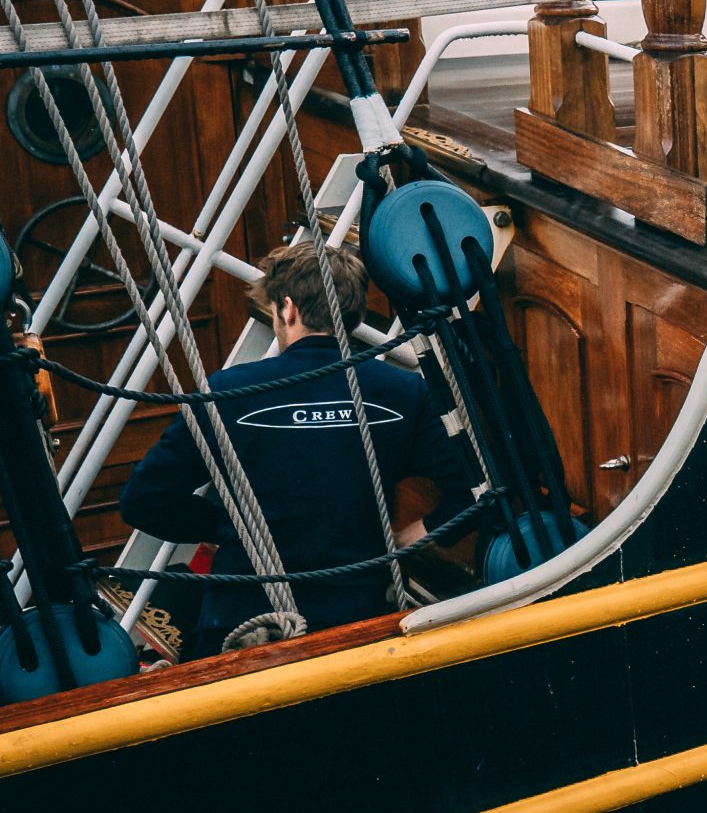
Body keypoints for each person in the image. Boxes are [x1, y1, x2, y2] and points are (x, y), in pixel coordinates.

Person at [120, 239, 481, 655]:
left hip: (246, 619)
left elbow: (143, 500)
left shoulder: (228, 392)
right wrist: (416, 533)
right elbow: (473, 488)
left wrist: (233, 527)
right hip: (356, 620)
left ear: (287, 309)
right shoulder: (403, 393)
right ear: (357, 312)